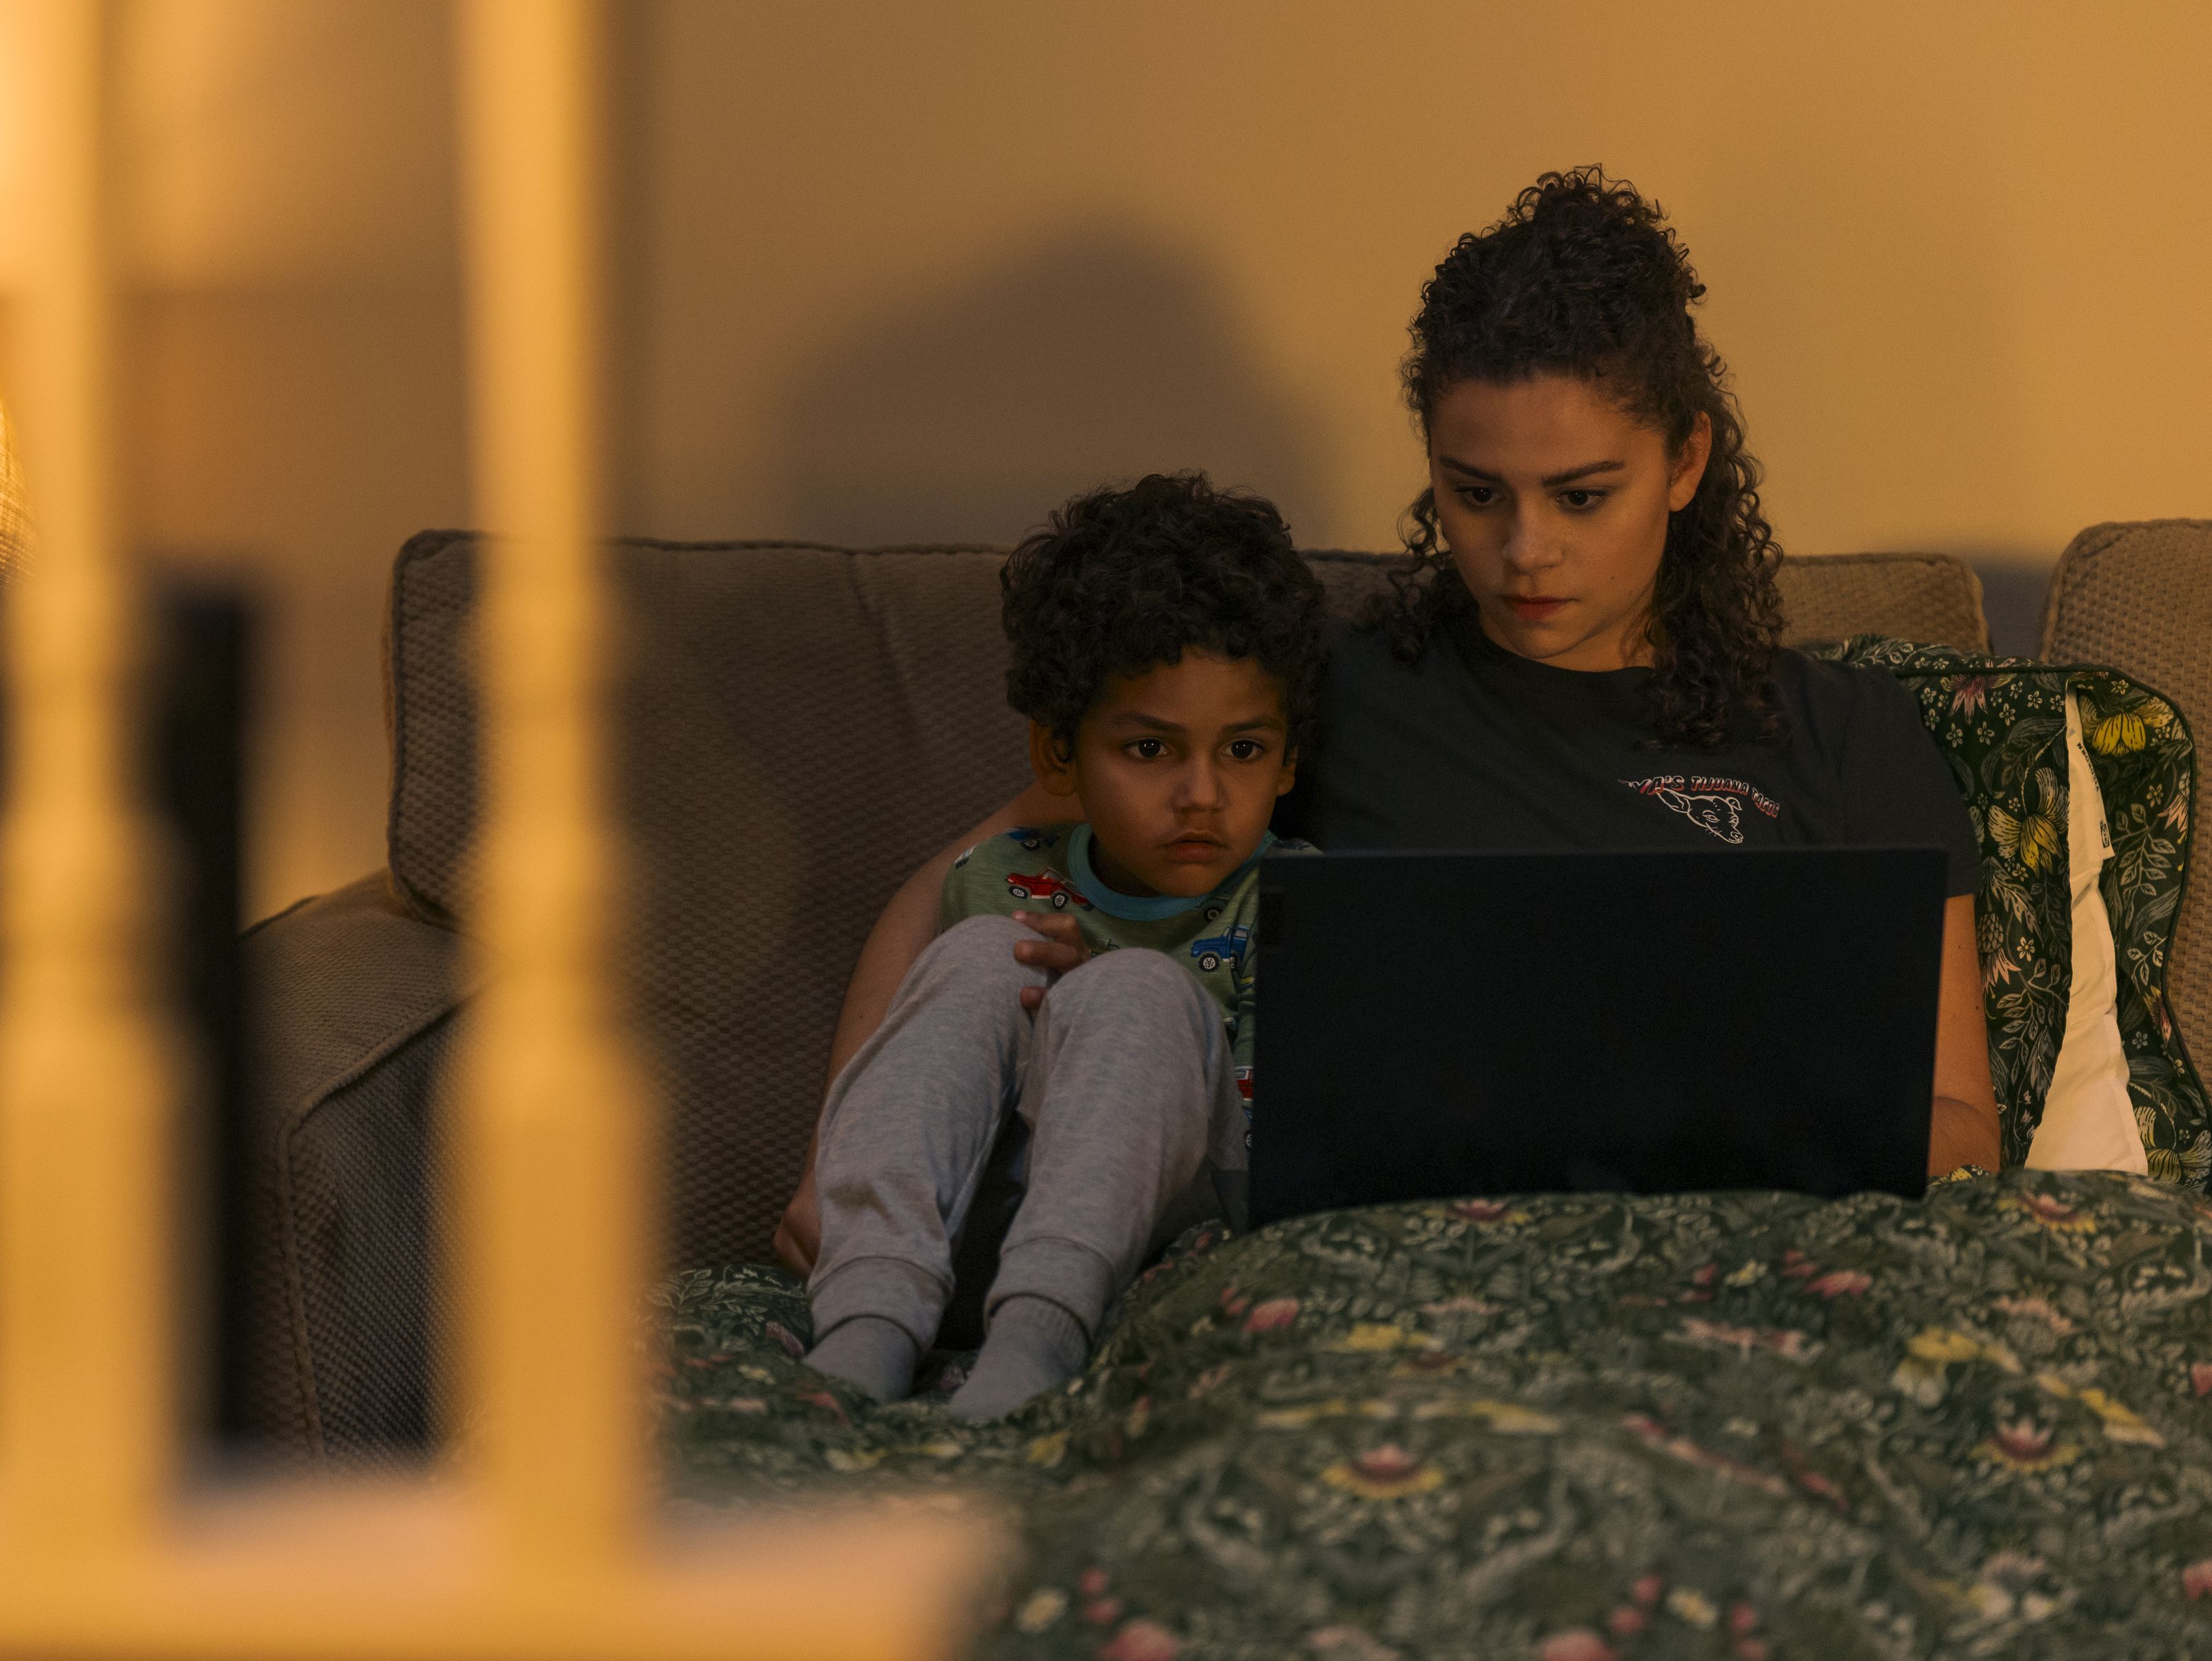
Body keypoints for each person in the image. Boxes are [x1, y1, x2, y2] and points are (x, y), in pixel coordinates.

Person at [779, 167, 2000, 1307]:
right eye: (1476, 493)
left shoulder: (1850, 736)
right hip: (1387, 1290)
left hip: (1732, 1282)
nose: (1524, 551)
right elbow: (961, 882)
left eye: (1582, 496)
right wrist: (844, 1164)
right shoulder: (1321, 696)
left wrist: (1699, 1124)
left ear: (1684, 461)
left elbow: (1960, 1128)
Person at [801, 473, 1324, 1421]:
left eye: (1244, 751)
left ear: (1289, 761)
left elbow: (1286, 1156)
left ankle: (1036, 1345)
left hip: (1174, 1241)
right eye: (1151, 750)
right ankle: (870, 1313)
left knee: (1135, 992)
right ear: (1059, 756)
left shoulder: (1293, 898)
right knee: (979, 955)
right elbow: (937, 1087)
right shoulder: (997, 878)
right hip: (977, 1241)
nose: (1202, 795)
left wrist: (1109, 1005)